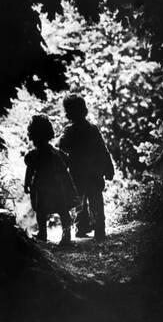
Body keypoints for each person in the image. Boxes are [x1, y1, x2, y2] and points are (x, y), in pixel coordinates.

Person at [58, 94, 114, 241]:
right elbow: (103, 150)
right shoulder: (92, 129)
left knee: (79, 202)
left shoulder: (69, 130)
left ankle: (81, 228)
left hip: (77, 172)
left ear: (68, 113)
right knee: (96, 199)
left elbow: (61, 145)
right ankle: (99, 228)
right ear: (84, 110)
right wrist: (109, 168)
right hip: (94, 171)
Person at [24, 114, 77, 245]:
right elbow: (67, 164)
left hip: (42, 188)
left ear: (32, 135)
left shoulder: (33, 155)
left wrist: (26, 184)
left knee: (41, 212)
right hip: (58, 187)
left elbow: (29, 170)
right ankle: (66, 235)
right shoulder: (57, 153)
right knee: (63, 210)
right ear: (49, 133)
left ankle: (43, 233)